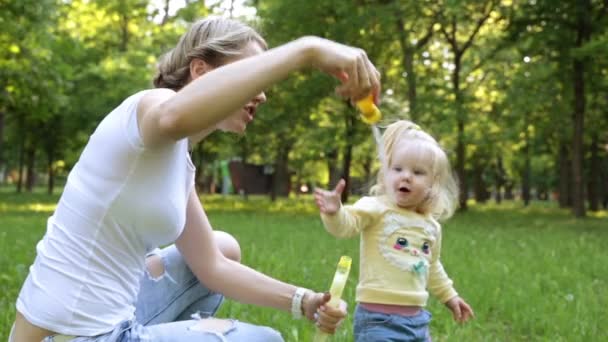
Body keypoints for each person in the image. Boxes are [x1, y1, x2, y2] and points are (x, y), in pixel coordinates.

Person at [10, 16, 381, 342]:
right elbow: (172, 117)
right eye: (252, 73)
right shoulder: (150, 107)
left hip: (106, 321)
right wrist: (307, 51)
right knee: (263, 340)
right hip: (75, 335)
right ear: (201, 71)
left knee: (223, 247)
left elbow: (212, 268)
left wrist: (306, 301)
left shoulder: (178, 162)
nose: (263, 94)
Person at [314, 120, 474, 341]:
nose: (406, 176)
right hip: (378, 321)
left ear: (432, 184)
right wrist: (334, 213)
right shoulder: (376, 207)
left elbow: (432, 266)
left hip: (418, 322)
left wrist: (450, 297)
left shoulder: (431, 226)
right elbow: (346, 226)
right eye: (397, 169)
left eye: (417, 172)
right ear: (386, 174)